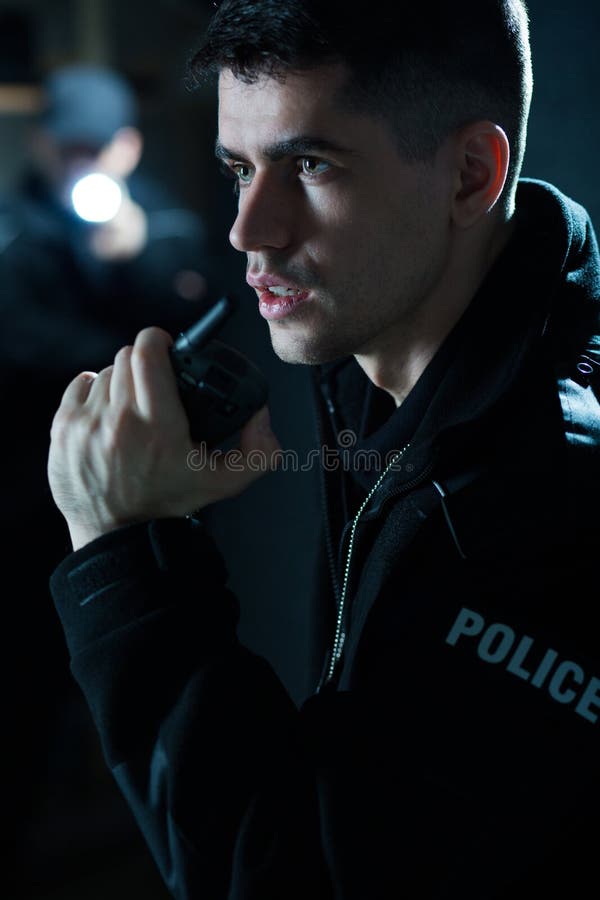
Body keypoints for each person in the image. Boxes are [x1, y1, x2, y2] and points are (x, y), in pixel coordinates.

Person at [45, 3, 599, 898]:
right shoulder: (376, 348)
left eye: (310, 164)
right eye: (239, 169)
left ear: (469, 175)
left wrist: (123, 558)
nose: (249, 230)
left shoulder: (544, 512)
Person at [2, 63, 215, 892]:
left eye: (102, 147)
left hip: (149, 514)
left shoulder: (152, 216)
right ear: (44, 143)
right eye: (70, 147)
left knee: (144, 694)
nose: (84, 164)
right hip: (25, 514)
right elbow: (23, 340)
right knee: (22, 695)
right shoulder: (15, 228)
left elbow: (205, 303)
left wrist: (132, 256)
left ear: (127, 146)